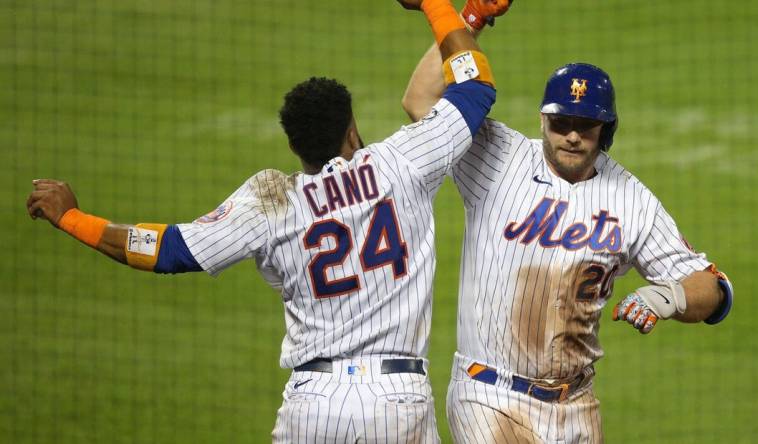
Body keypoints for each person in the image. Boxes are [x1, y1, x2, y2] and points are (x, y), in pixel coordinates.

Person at [26, 1, 498, 441]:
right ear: (352, 130)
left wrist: (72, 218)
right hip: (399, 402)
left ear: (294, 146)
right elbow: (474, 85)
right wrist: (444, 7)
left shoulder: (270, 199)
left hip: (314, 404)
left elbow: (169, 250)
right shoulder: (403, 162)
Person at [401, 2, 734, 442]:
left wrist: (668, 297)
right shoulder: (497, 156)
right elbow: (420, 100)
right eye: (561, 122)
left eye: (585, 125)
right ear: (543, 119)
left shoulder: (631, 200)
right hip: (489, 397)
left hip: (578, 406)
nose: (572, 135)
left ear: (606, 130)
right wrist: (472, 20)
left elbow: (714, 288)